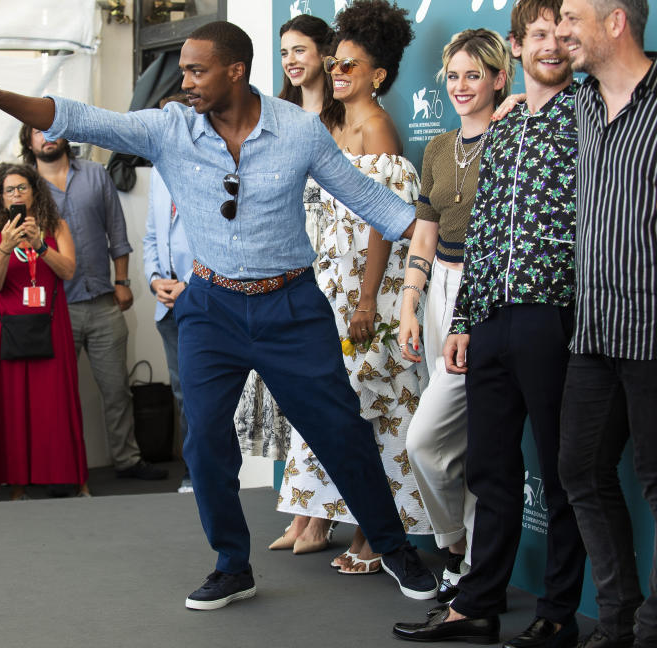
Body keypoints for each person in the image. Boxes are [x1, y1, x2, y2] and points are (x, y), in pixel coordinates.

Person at [0, 19, 437, 611]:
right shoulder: (170, 127)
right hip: (210, 306)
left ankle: (393, 547)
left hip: (291, 305)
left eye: (197, 70)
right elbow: (77, 117)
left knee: (342, 432)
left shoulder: (301, 132)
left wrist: (449, 239)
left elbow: (375, 204)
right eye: (184, 69)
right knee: (204, 441)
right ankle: (232, 566)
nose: (185, 81)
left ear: (237, 71)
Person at [393, 2, 587, 645]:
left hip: (557, 315)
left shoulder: (587, 114)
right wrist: (464, 320)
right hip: (490, 319)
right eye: (538, 34)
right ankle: (475, 604)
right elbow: (481, 236)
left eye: (563, 34)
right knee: (490, 470)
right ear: (519, 46)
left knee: (561, 476)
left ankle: (557, 613)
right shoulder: (501, 130)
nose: (551, 45)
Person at [271, 0, 432, 571]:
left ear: (378, 75)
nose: (336, 74)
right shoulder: (333, 124)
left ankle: (378, 535)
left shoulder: (379, 128)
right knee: (349, 412)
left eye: (349, 67)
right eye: (334, 64)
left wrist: (367, 300)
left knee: (381, 409)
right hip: (331, 287)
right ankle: (358, 523)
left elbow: (384, 222)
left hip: (374, 293)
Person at [397, 27, 513, 604]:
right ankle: (464, 560)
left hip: (488, 291)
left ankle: (456, 549)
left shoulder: (515, 134)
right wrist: (410, 300)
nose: (461, 85)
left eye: (475, 74)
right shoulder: (439, 147)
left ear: (498, 77)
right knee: (453, 441)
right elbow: (426, 226)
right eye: (454, 74)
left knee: (433, 437)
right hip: (438, 286)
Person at [553, 1, 657, 647]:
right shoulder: (582, 103)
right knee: (581, 472)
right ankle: (616, 624)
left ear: (614, 21)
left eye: (571, 17)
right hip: (593, 332)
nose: (561, 30)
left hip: (653, 332)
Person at [18, 123, 166, 481]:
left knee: (116, 389)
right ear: (28, 141)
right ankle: (58, 468)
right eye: (37, 131)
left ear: (65, 135)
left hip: (102, 300)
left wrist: (122, 281)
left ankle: (128, 460)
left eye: (51, 129)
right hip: (51, 308)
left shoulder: (96, 175)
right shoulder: (22, 184)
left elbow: (116, 230)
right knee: (55, 397)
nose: (46, 136)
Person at [235, 12, 341, 484]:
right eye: (283, 52)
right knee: (282, 394)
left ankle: (331, 514)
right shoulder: (272, 113)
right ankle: (304, 510)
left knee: (325, 394)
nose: (291, 60)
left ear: (324, 53)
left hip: (331, 264)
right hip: (276, 264)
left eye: (300, 49)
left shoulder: (344, 118)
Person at [0, 162, 89, 498]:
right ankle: (17, 487)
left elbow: (68, 271)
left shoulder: (56, 226)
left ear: (35, 193)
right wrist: (7, 247)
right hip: (8, 328)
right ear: (1, 198)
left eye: (22, 187)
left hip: (51, 325)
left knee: (56, 404)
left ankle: (74, 480)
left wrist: (39, 245)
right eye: (9, 190)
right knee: (11, 407)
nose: (16, 194)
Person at [143, 94, 196, 494]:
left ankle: (216, 472)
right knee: (181, 391)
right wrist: (154, 280)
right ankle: (194, 472)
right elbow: (150, 236)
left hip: (204, 296)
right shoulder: (158, 170)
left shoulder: (211, 165)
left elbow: (222, 238)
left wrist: (189, 284)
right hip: (167, 304)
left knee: (208, 391)